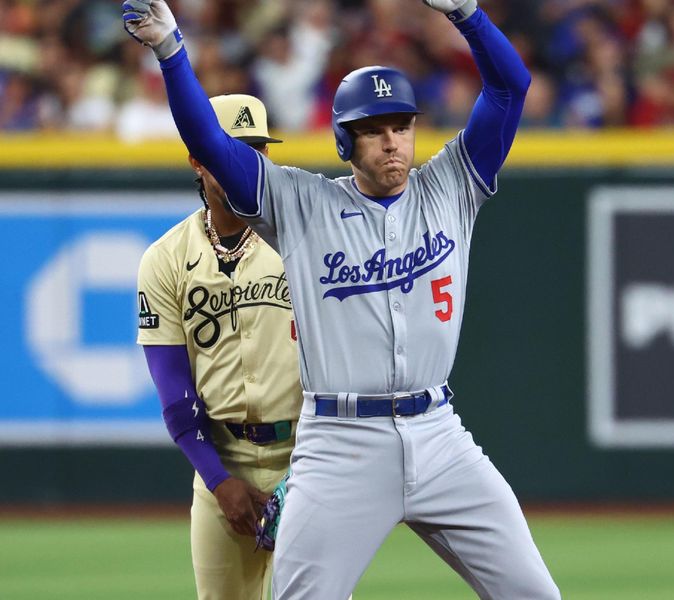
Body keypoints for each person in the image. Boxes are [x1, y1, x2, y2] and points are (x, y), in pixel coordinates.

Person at [124, 0, 561, 598]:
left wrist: (468, 15)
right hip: (340, 444)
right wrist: (173, 52)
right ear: (343, 141)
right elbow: (210, 142)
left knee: (535, 593)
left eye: (401, 126)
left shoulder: (452, 184)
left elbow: (511, 89)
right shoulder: (302, 206)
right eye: (374, 130)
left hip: (439, 432)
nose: (392, 143)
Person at [136, 92, 301, 600]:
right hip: (221, 462)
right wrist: (218, 480)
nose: (245, 164)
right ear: (198, 159)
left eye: (256, 151)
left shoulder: (303, 239)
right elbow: (174, 392)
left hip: (308, 457)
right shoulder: (164, 259)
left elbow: (340, 367)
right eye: (232, 150)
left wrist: (307, 471)